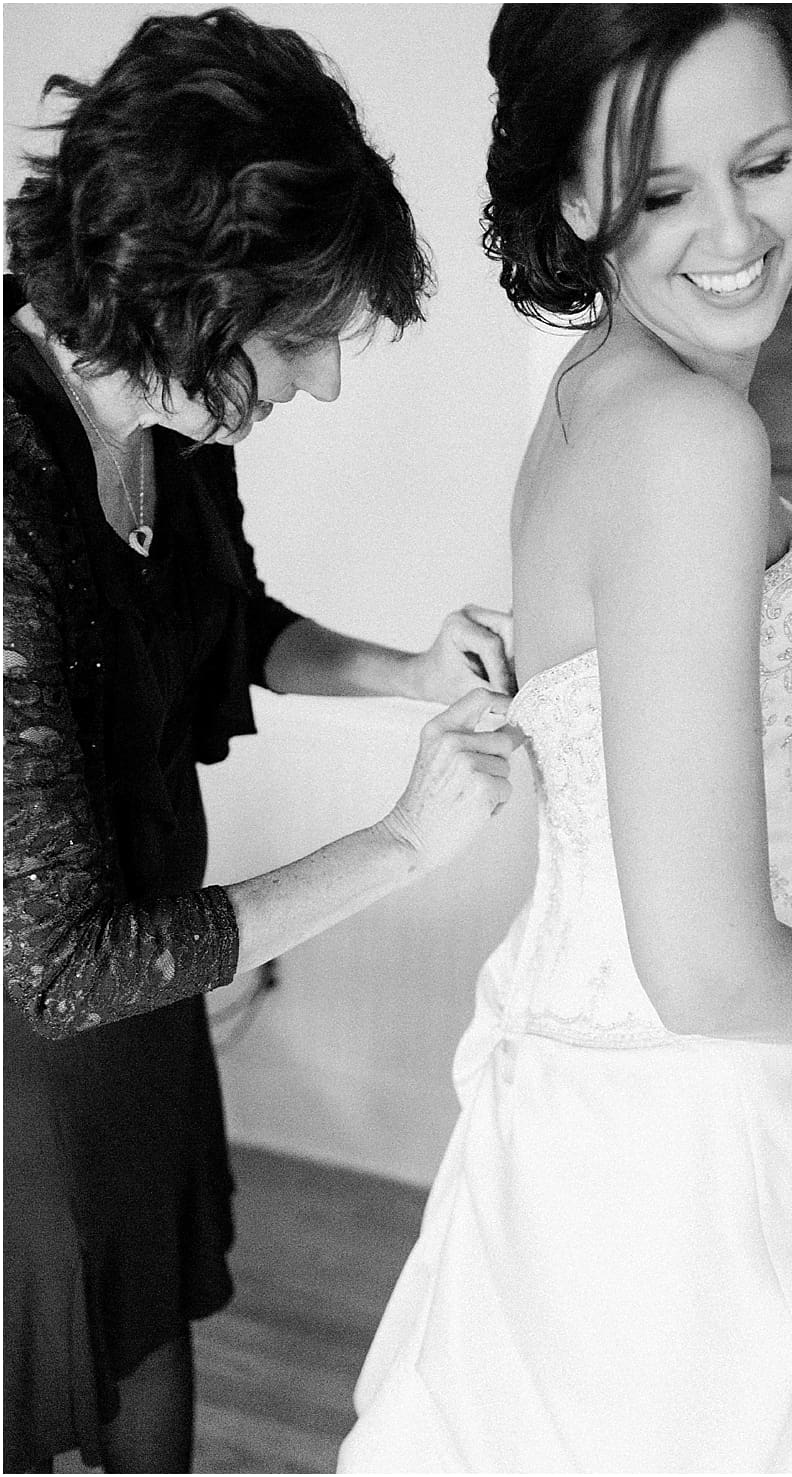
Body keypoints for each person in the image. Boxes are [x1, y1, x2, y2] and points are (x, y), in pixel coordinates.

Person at [337, 6, 792, 1470]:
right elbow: (711, 972)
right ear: (572, 198)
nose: (734, 230)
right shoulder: (691, 439)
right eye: (662, 193)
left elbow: (654, 769)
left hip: (591, 1087)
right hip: (690, 1137)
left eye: (762, 160)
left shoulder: (597, 398)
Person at [2, 10, 521, 1473]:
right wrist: (404, 842)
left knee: (150, 1394)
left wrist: (408, 668)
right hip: (24, 1073)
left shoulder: (170, 424)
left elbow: (222, 625)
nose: (324, 383)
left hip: (147, 1022)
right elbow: (61, 963)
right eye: (299, 338)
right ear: (177, 289)